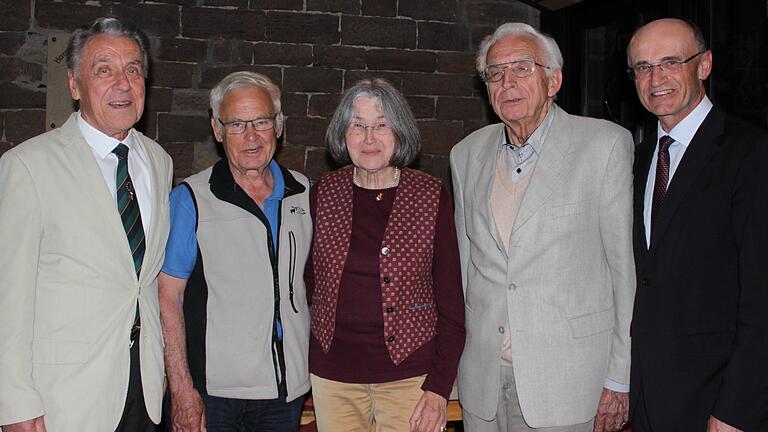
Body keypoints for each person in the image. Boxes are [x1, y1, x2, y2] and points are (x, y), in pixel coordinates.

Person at [450, 22, 635, 432]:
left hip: (568, 381)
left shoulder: (604, 146)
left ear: (554, 80)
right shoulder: (465, 154)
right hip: (482, 379)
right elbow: (465, 269)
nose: (507, 82)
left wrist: (619, 378)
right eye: (495, 73)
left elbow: (625, 273)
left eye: (522, 68)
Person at [0, 16, 172, 432]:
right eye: (104, 69)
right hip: (65, 396)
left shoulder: (158, 162)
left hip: (144, 390)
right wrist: (14, 402)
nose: (123, 83)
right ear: (74, 85)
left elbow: (141, 282)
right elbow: (8, 298)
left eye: (133, 69)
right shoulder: (27, 166)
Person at [626, 18, 768, 432]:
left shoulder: (750, 153)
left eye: (670, 62)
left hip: (719, 403)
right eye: (643, 67)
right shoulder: (639, 158)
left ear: (704, 65)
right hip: (651, 399)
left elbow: (762, 298)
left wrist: (736, 411)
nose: (656, 78)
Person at [305, 78, 465, 432]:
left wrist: (439, 389)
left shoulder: (430, 196)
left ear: (400, 132)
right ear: (343, 134)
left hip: (412, 377)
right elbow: (308, 282)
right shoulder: (322, 194)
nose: (369, 139)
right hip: (334, 378)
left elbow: (452, 304)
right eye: (358, 126)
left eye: (381, 125)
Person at [158, 71, 312, 432]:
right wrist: (181, 387)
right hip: (216, 394)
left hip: (286, 391)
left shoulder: (304, 193)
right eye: (237, 124)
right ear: (217, 129)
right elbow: (167, 298)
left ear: (279, 124)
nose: (251, 136)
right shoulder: (191, 200)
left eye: (261, 121)